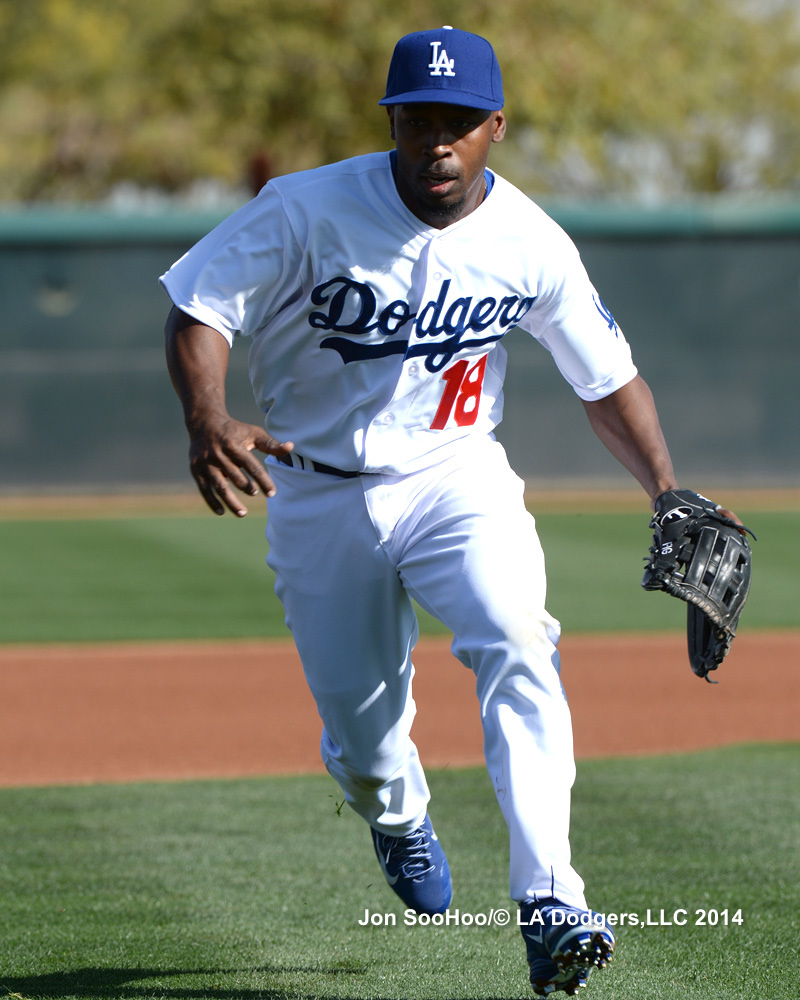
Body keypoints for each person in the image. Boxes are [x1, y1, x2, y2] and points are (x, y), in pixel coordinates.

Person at [162, 26, 739, 996]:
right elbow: (199, 307)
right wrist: (207, 416)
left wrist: (664, 488)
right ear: (391, 123)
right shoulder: (303, 210)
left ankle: (552, 897)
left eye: (458, 122)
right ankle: (394, 812)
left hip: (455, 478)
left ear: (494, 127)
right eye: (418, 119)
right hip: (318, 491)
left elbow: (604, 378)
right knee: (365, 743)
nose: (437, 140)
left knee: (518, 635)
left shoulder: (529, 240)